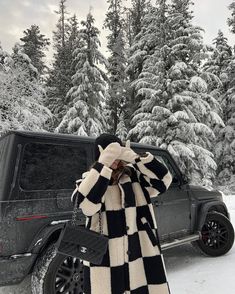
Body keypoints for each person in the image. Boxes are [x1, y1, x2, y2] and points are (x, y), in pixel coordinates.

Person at [71, 133, 173, 294]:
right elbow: (86, 206)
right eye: (111, 152)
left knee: (142, 287)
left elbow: (164, 181)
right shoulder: (88, 181)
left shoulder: (135, 178)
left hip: (139, 246)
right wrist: (103, 164)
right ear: (100, 153)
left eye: (118, 152)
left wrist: (136, 158)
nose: (116, 158)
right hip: (104, 253)